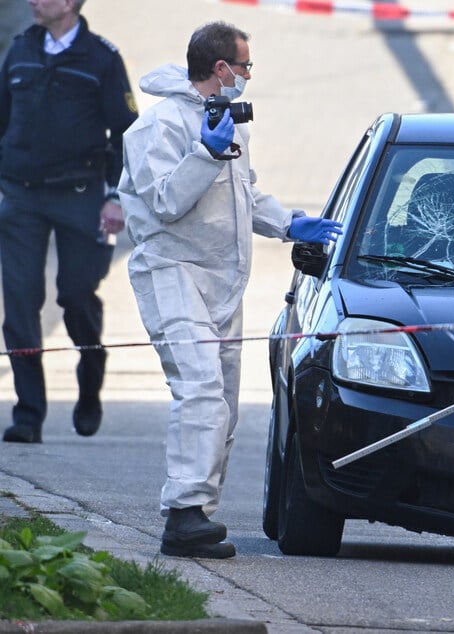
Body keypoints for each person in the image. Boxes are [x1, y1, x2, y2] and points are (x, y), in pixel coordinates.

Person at [118, 21, 342, 559]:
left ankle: (199, 512)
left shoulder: (228, 124)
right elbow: (167, 202)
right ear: (221, 69)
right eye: (244, 67)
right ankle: (184, 516)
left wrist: (291, 224)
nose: (247, 76)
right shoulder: (159, 127)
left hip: (221, 280)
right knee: (198, 390)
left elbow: (246, 195)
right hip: (172, 272)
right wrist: (204, 154)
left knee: (223, 403)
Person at [0, 0, 138, 444]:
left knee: (76, 296)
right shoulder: (20, 50)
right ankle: (28, 414)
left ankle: (91, 365)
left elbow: (125, 133)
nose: (34, 2)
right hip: (21, 196)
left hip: (81, 196)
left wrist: (116, 196)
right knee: (20, 304)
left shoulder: (102, 58)